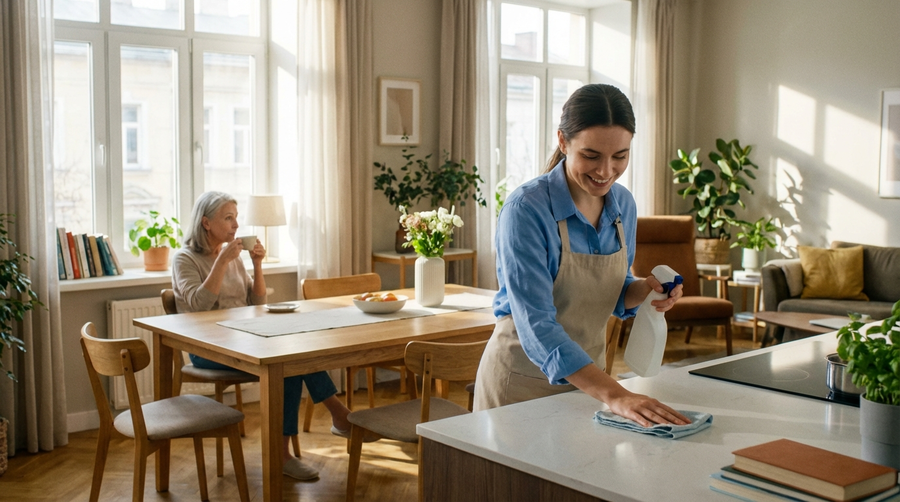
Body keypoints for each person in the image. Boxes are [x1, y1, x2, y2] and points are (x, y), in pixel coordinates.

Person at [473, 84, 690, 427]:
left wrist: (647, 289)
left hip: (590, 383)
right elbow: (537, 325)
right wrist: (616, 394)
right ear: (563, 141)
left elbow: (614, 293)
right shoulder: (526, 210)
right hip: (521, 386)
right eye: (591, 155)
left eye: (620, 156)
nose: (606, 171)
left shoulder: (624, 206)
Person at [173, 191, 365, 482]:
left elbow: (258, 304)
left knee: (291, 355)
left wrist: (257, 265)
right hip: (207, 348)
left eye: (236, 218)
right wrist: (222, 261)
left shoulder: (233, 257)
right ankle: (332, 419)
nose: (236, 225)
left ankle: (289, 449)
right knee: (286, 364)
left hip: (243, 337)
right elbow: (199, 304)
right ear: (206, 222)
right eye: (228, 218)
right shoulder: (184, 259)